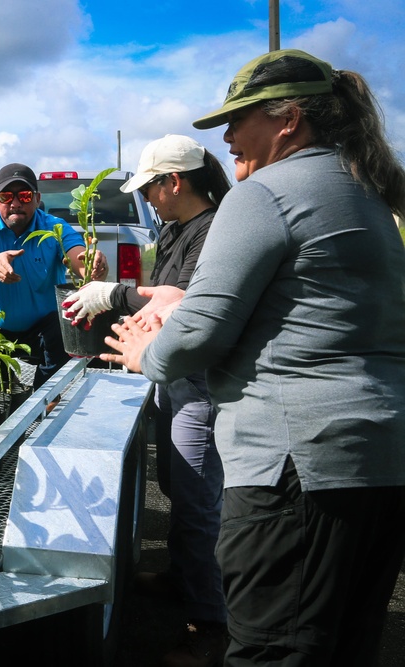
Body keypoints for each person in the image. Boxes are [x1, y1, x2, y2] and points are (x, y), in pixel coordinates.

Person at [103, 49, 405, 666]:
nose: (227, 138)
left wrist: (145, 352)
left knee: (274, 650)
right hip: (381, 460)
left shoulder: (266, 192)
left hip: (298, 468)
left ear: (288, 119)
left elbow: (201, 334)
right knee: (344, 646)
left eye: (238, 121)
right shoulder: (365, 191)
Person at [63, 134, 232, 667]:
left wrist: (113, 295)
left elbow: (184, 299)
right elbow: (162, 304)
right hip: (172, 375)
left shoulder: (214, 231)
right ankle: (183, 577)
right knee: (177, 486)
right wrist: (138, 319)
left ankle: (209, 625)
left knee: (198, 499)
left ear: (173, 182)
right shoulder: (176, 229)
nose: (150, 197)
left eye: (152, 188)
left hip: (198, 382)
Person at [0, 162, 108, 389]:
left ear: (36, 198)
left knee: (61, 323)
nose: (15, 203)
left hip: (44, 332)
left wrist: (93, 265)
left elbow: (79, 259)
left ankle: (46, 398)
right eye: (7, 196)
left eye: (24, 196)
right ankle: (2, 387)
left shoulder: (53, 227)